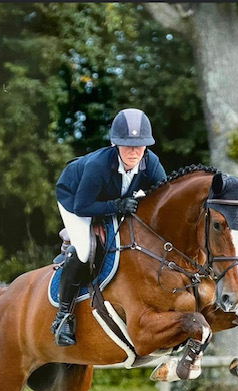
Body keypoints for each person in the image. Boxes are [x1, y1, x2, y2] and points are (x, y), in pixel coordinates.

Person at [51, 108, 167, 347]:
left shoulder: (151, 163)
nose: (134, 152)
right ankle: (63, 317)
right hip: (75, 199)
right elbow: (83, 206)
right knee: (84, 250)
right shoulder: (98, 165)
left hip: (108, 199)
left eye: (139, 146)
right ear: (115, 144)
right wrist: (117, 205)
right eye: (127, 145)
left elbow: (163, 199)